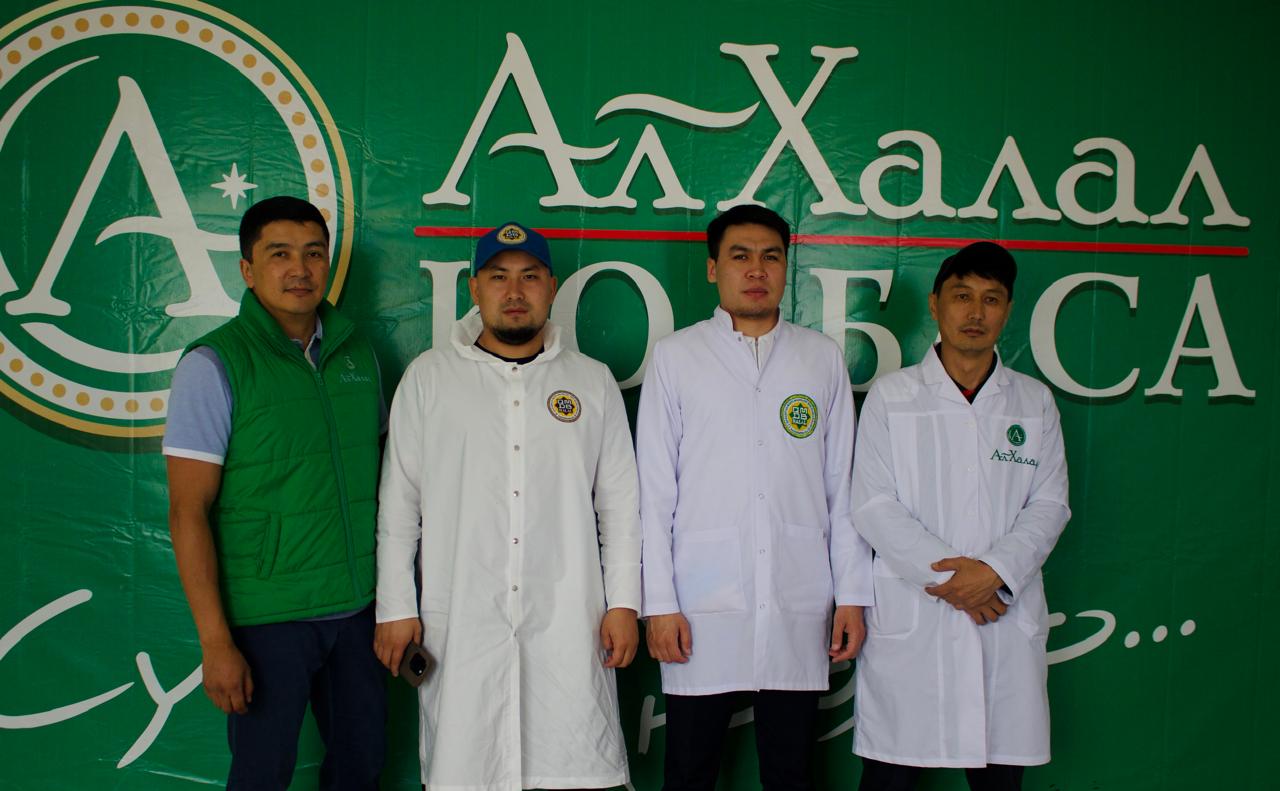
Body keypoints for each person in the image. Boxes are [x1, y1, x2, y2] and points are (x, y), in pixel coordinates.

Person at [374, 221, 641, 791]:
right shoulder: (429, 379)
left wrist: (623, 603)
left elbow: (620, 507)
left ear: (552, 286)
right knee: (467, 764)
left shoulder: (590, 382)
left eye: (530, 277)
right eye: (498, 277)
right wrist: (395, 607)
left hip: (568, 619)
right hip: (462, 620)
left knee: (570, 765)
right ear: (474, 287)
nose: (514, 291)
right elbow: (399, 505)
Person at [637, 204, 873, 791]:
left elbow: (842, 487)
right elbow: (654, 491)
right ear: (712, 268)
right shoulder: (677, 356)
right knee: (688, 772)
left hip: (798, 594)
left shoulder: (819, 357)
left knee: (791, 773)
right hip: (698, 602)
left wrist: (851, 595)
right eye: (740, 256)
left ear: (787, 268)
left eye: (771, 257)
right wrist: (659, 603)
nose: (756, 270)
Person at [164, 196, 385, 790]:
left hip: (357, 611)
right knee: (261, 776)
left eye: (313, 254)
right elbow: (187, 511)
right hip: (267, 620)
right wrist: (216, 641)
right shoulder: (213, 364)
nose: (300, 270)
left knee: (361, 769)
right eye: (279, 254)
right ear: (247, 269)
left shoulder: (357, 353)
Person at [851, 241, 1071, 791]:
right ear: (935, 304)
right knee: (890, 776)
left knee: (1000, 776)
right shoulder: (892, 396)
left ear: (1008, 310)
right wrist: (959, 582)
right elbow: (874, 505)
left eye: (991, 299)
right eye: (962, 296)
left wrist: (994, 571)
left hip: (1002, 616)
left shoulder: (1034, 402)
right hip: (916, 619)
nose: (976, 312)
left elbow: (1050, 504)